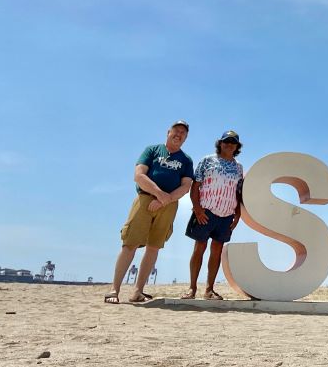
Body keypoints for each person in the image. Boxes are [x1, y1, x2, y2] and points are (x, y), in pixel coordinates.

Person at [105, 120, 194, 304]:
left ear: (186, 138)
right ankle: (114, 289)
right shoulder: (152, 150)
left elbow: (186, 186)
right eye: (176, 130)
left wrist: (164, 200)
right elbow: (139, 175)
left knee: (153, 247)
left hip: (169, 205)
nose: (179, 134)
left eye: (183, 133)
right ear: (168, 132)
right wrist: (159, 194)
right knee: (130, 243)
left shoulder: (186, 160)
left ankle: (138, 291)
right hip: (145, 200)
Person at [181, 130, 245, 300]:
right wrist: (197, 209)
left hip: (226, 214)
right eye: (226, 141)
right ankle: (192, 289)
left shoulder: (239, 167)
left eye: (233, 142)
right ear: (220, 143)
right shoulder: (207, 161)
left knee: (216, 251)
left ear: (237, 146)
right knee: (199, 248)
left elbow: (238, 193)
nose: (229, 144)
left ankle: (209, 290)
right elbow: (196, 186)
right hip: (206, 212)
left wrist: (237, 214)